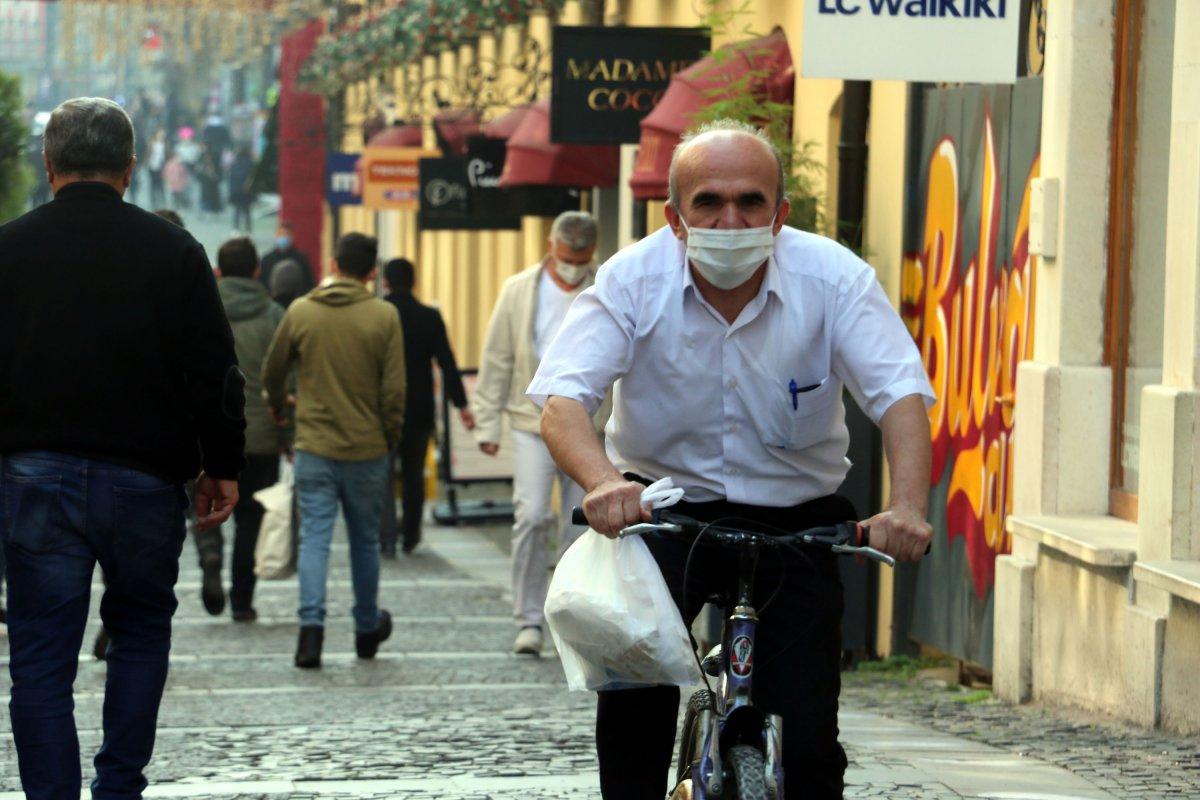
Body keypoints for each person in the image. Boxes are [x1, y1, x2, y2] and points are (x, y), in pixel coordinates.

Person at [528, 120, 936, 800]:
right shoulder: (631, 279)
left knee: (809, 745)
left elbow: (899, 398)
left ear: (780, 214)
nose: (730, 219)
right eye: (709, 202)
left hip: (798, 518)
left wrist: (908, 508)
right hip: (662, 511)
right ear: (674, 218)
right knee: (634, 704)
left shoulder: (833, 279)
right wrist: (603, 484)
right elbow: (563, 401)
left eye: (751, 202)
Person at [0, 97, 243, 798]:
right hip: (144, 477)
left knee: (40, 657)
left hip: (33, 475)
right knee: (139, 635)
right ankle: (118, 787)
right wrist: (222, 464)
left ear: (48, 165)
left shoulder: (8, 250)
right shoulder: (174, 252)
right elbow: (215, 371)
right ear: (130, 168)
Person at [262, 233, 405, 669]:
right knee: (364, 541)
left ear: (333, 263)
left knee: (315, 539)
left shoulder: (302, 311)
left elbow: (272, 369)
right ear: (372, 272)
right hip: (367, 448)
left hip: (315, 446)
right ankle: (365, 629)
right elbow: (394, 390)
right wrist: (389, 436)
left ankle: (311, 632)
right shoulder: (384, 316)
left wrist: (278, 405)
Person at [473, 210, 608, 656]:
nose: (572, 267)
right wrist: (487, 420)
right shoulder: (519, 289)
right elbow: (497, 356)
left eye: (581, 259)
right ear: (551, 246)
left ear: (592, 252)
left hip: (588, 425)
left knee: (581, 525)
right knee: (531, 516)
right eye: (567, 257)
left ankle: (569, 618)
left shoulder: (607, 286)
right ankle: (527, 619)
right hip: (531, 420)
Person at [191, 237, 288, 622]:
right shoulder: (275, 315)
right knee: (251, 517)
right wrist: (287, 433)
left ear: (218, 270)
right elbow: (287, 377)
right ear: (257, 271)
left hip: (205, 431)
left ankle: (210, 550)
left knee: (203, 499)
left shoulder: (200, 309)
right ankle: (243, 599)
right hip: (261, 433)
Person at [379, 258, 474, 556]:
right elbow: (447, 362)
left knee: (382, 473)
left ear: (385, 282)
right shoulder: (429, 317)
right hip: (419, 408)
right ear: (414, 282)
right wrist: (461, 404)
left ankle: (386, 536)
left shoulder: (378, 315)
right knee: (413, 473)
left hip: (382, 407)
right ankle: (411, 533)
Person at [261, 221, 315, 294]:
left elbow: (309, 284)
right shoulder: (267, 260)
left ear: (292, 237)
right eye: (281, 234)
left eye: (287, 234)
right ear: (276, 236)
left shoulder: (301, 259)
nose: (283, 237)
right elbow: (262, 284)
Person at [227, 145, 255, 232]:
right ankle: (248, 229)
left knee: (237, 210)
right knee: (247, 211)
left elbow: (231, 178)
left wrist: (231, 191)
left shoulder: (234, 163)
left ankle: (236, 229)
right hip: (247, 190)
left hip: (236, 190)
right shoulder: (251, 164)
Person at [146, 129, 167, 207]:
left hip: (161, 167)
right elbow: (148, 154)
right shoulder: (152, 143)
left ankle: (162, 200)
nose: (161, 136)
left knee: (161, 184)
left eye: (162, 134)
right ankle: (153, 200)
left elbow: (166, 155)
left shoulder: (165, 144)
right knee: (153, 184)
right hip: (152, 166)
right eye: (160, 134)